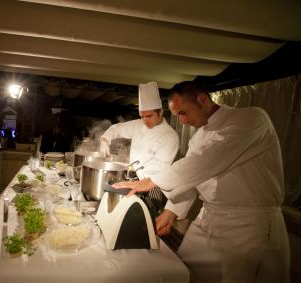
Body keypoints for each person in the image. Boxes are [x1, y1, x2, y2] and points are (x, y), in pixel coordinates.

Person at [113, 81, 290, 283]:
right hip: (209, 215)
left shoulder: (251, 119)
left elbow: (208, 160)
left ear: (203, 100)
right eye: (177, 115)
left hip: (248, 222)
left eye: (184, 113)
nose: (182, 121)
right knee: (187, 271)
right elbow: (194, 177)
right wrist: (171, 212)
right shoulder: (199, 136)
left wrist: (152, 180)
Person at [100, 82, 180, 216]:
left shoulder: (170, 137)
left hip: (153, 187)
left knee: (146, 218)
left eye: (149, 116)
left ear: (160, 112)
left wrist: (133, 172)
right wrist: (104, 139)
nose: (145, 121)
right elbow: (117, 128)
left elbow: (159, 170)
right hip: (134, 180)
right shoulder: (139, 125)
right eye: (142, 116)